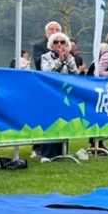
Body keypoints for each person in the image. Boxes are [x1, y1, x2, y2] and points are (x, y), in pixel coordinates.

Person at [38, 32, 80, 161]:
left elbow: (76, 74)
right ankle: (46, 154)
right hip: (50, 95)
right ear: (51, 44)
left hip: (65, 95)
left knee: (64, 122)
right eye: (56, 42)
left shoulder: (70, 58)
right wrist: (59, 61)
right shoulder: (45, 57)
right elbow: (47, 73)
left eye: (62, 42)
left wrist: (68, 60)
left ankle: (61, 152)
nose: (59, 45)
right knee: (50, 123)